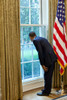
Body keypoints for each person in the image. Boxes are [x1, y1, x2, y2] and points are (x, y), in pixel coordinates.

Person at [29, 32, 58, 96]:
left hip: (48, 60)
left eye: (30, 38)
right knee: (48, 75)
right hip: (52, 58)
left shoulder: (35, 40)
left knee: (47, 76)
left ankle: (46, 92)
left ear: (31, 37)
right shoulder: (42, 38)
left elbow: (40, 53)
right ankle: (47, 89)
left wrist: (42, 64)